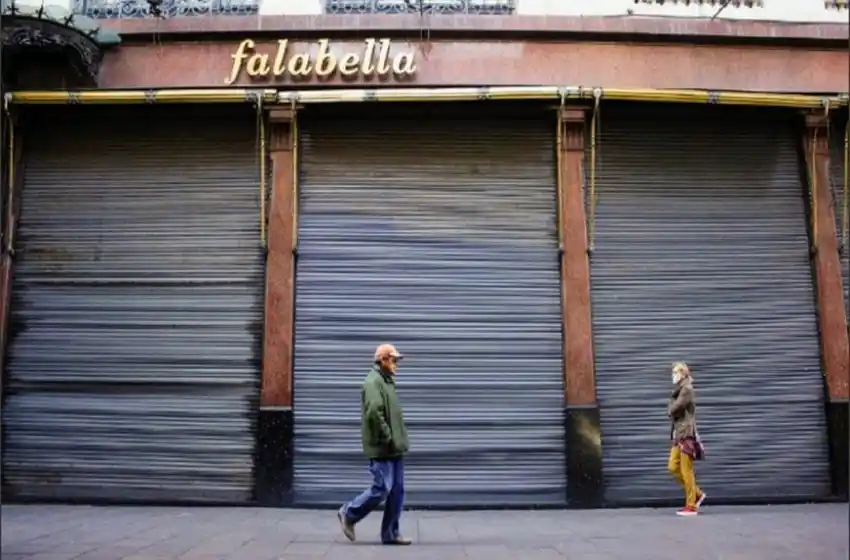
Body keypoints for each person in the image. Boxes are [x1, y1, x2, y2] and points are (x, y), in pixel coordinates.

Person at [338, 343, 412, 545]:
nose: (397, 364)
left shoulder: (386, 381)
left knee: (397, 491)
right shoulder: (373, 382)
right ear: (383, 360)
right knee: (382, 488)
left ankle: (390, 534)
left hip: (394, 447)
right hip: (383, 447)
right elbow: (374, 414)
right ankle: (349, 513)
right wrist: (387, 437)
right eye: (394, 360)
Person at [667, 362, 706, 517]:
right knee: (672, 466)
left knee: (686, 470)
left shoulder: (687, 389)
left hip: (686, 434)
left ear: (683, 374)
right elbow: (673, 409)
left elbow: (674, 409)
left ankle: (691, 505)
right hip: (679, 434)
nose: (673, 375)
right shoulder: (679, 390)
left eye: (675, 372)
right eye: (673, 373)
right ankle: (696, 494)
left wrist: (671, 407)